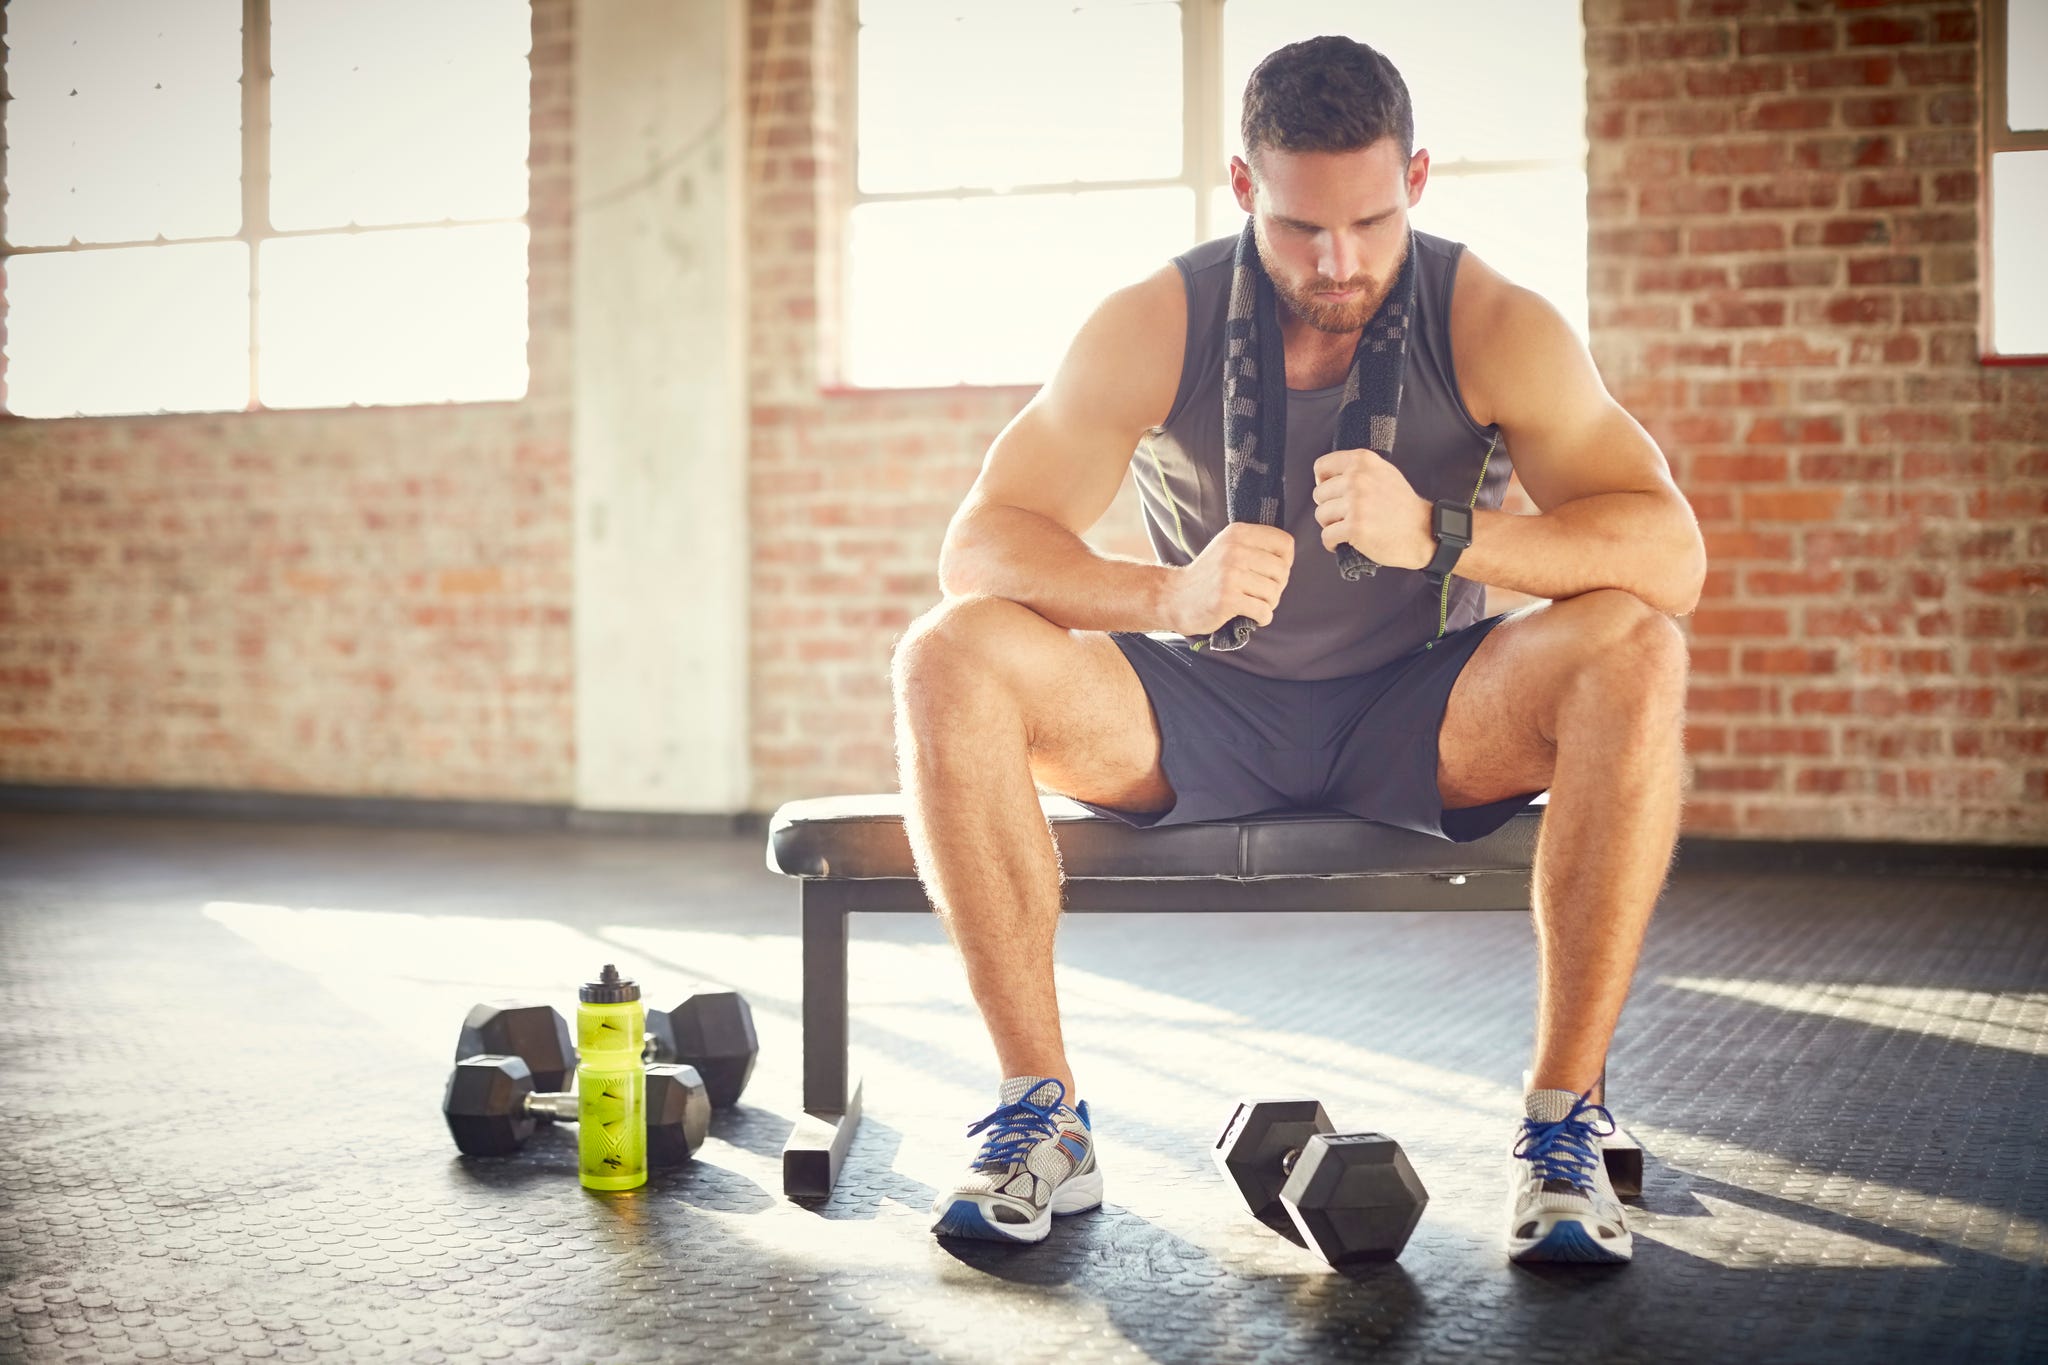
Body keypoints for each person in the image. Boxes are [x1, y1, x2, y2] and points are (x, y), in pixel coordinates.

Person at [891, 34, 1703, 1264]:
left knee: (1632, 646)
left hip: (1420, 711)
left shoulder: (1489, 318)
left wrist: (1443, 532)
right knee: (946, 652)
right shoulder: (1151, 320)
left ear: (1417, 180)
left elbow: (1666, 555)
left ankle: (1561, 1126)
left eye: (1370, 222)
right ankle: (1040, 1121)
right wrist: (1165, 591)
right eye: (1298, 229)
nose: (1338, 262)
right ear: (1240, 190)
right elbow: (981, 546)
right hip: (1197, 704)